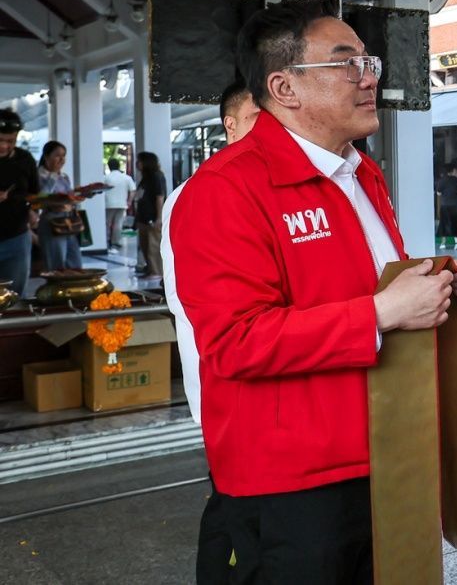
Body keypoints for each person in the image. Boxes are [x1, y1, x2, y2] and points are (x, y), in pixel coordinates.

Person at [169, 0, 457, 584]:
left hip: (384, 452)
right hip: (294, 480)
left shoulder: (361, 173)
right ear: (285, 88)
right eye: (347, 63)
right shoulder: (225, 190)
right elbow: (236, 340)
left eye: (370, 63)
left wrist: (444, 286)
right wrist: (382, 312)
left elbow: (371, 289)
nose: (369, 78)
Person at [162, 82, 259, 584]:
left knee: (236, 505)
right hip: (227, 377)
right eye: (256, 119)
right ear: (231, 125)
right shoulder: (199, 194)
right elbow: (196, 302)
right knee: (233, 505)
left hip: (261, 377)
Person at [0, 109, 38, 295]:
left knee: (15, 296)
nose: (4, 146)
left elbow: (33, 194)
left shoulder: (25, 160)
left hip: (16, 238)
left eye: (10, 141)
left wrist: (32, 210)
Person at [36, 140, 83, 271]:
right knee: (56, 267)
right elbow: (40, 198)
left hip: (69, 222)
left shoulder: (64, 176)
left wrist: (80, 194)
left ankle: (73, 290)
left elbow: (69, 197)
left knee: (75, 264)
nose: (62, 159)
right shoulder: (38, 175)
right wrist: (53, 176)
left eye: (64, 155)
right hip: (52, 223)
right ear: (46, 157)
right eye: (57, 155)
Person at [133, 151, 167, 278]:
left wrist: (159, 218)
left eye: (139, 161)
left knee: (153, 246)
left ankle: (156, 271)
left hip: (152, 218)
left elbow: (159, 197)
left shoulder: (156, 176)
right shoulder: (145, 178)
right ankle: (150, 268)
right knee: (145, 245)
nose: (137, 164)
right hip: (143, 217)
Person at [103, 157, 135, 253]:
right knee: (118, 223)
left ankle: (107, 241)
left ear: (109, 166)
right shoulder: (126, 178)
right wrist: (129, 201)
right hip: (122, 203)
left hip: (108, 204)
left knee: (107, 223)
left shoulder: (105, 178)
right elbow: (133, 190)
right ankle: (116, 241)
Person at [437, 163, 457, 250]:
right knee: (456, 224)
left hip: (445, 205)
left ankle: (443, 244)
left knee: (444, 224)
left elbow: (438, 193)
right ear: (452, 171)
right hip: (456, 205)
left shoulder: (441, 181)